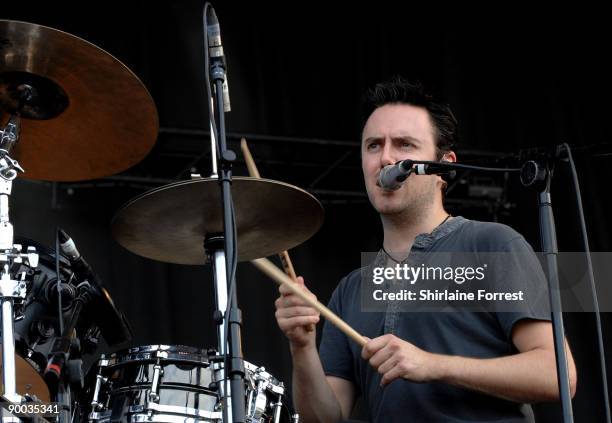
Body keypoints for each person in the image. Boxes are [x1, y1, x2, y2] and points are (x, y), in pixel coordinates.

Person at [274, 77, 577, 422]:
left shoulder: (492, 244)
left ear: (444, 165)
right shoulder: (352, 289)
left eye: (404, 144)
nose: (386, 157)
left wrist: (432, 365)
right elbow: (324, 418)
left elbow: (558, 375)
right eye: (373, 146)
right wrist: (301, 347)